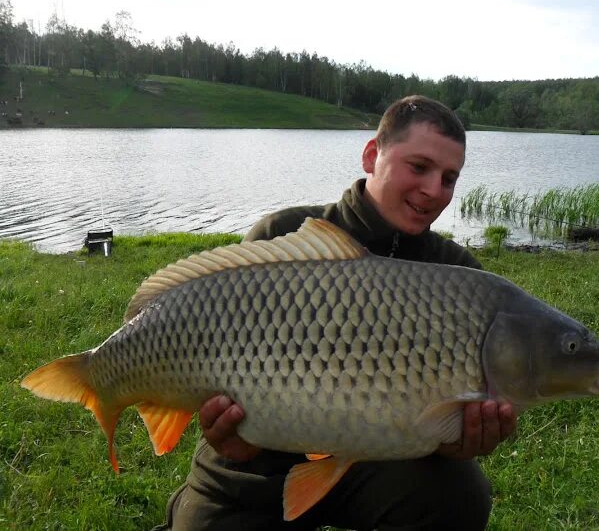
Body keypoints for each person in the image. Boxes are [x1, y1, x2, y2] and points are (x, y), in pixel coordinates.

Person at [158, 95, 517, 530]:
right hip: (253, 464)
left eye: (449, 178)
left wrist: (456, 441)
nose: (434, 190)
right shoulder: (284, 236)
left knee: (460, 495)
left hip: (376, 463)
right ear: (372, 155)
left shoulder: (458, 278)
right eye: (419, 167)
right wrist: (225, 433)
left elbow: (440, 426)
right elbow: (213, 378)